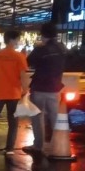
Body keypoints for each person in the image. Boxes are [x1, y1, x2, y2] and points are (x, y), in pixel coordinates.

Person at [23, 22, 66, 153]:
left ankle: (38, 146)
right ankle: (59, 146)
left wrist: (30, 51)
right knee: (54, 118)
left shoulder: (40, 50)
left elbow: (28, 63)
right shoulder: (62, 49)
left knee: (37, 117)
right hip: (55, 89)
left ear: (43, 35)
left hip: (39, 88)